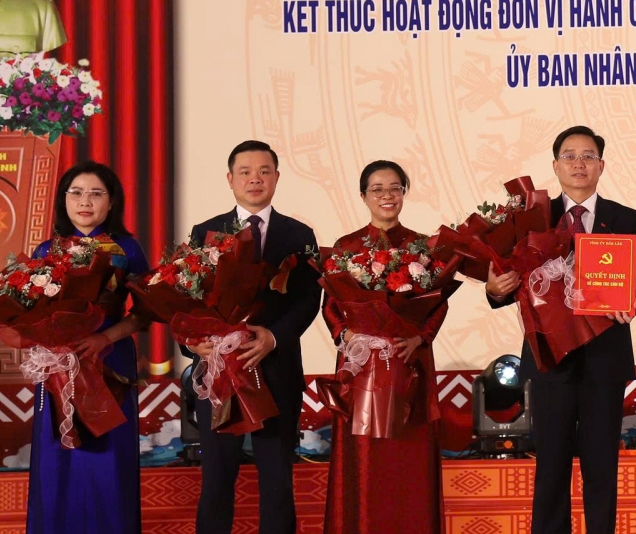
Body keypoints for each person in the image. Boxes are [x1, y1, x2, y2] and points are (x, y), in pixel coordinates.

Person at [483, 125, 636, 534]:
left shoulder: (625, 218)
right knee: (551, 465)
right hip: (549, 358)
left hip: (605, 357)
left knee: (602, 466)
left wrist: (633, 300)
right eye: (570, 156)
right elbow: (508, 281)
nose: (579, 163)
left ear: (601, 165)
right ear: (556, 165)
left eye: (588, 156)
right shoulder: (533, 218)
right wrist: (494, 289)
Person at [188, 141, 321, 534]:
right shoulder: (205, 232)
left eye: (264, 171)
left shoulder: (299, 234)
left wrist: (273, 338)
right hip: (219, 374)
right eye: (245, 172)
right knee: (216, 480)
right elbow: (187, 296)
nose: (255, 179)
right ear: (230, 179)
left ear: (276, 178)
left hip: (276, 372)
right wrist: (192, 343)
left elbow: (309, 299)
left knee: (277, 480)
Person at [324, 160, 448, 534]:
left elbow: (438, 304)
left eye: (395, 188)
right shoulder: (346, 247)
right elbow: (331, 307)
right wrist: (349, 337)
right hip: (362, 368)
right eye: (377, 189)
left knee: (408, 461)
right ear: (363, 196)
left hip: (409, 364)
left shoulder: (423, 247)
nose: (387, 196)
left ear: (404, 193)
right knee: (364, 459)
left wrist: (420, 338)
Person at [26, 161, 148, 534]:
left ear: (111, 202)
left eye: (96, 193)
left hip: (108, 362)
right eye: (76, 193)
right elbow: (29, 314)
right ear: (63, 200)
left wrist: (104, 338)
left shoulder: (127, 249)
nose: (85, 202)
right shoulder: (46, 250)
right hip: (58, 368)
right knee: (57, 461)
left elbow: (145, 314)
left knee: (107, 460)